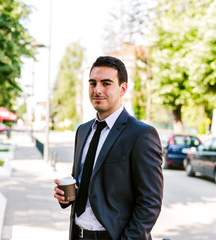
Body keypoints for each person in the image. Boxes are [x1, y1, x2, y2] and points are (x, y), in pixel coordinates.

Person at [54, 56, 163, 240]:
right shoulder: (82, 131)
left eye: (106, 83)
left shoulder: (141, 134)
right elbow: (88, 184)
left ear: (123, 89)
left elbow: (150, 203)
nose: (97, 90)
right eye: (92, 83)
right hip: (78, 235)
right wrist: (67, 196)